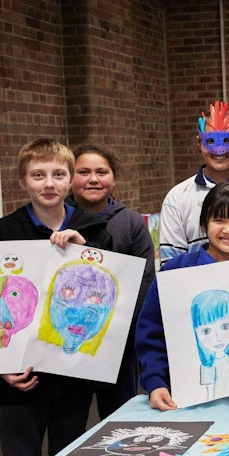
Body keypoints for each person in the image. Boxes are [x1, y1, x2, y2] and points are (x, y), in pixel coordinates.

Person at [0, 138, 112, 456]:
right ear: (23, 181)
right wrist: (0, 368)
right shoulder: (5, 231)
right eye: (38, 175)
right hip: (20, 379)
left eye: (58, 174)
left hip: (72, 379)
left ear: (70, 179)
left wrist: (85, 250)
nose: (48, 183)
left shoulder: (93, 228)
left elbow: (108, 296)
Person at [136, 182, 229, 411]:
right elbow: (151, 335)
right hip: (187, 399)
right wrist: (155, 381)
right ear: (204, 225)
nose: (228, 230)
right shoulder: (176, 273)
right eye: (219, 220)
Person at [70, 144, 156, 417]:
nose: (93, 179)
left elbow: (144, 279)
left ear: (113, 178)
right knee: (70, 416)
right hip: (70, 336)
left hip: (119, 338)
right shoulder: (60, 220)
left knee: (119, 414)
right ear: (70, 177)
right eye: (83, 172)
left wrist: (120, 325)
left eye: (101, 171)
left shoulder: (130, 223)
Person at [158, 100, 229, 266]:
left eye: (227, 141)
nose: (219, 150)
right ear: (199, 143)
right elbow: (171, 266)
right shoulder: (177, 198)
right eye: (210, 141)